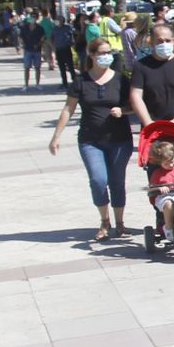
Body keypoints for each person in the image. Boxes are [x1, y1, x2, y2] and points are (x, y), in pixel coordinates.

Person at [49, 37, 134, 240]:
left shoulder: (121, 79)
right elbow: (68, 108)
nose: (106, 57)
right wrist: (56, 136)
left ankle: (120, 223)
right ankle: (105, 221)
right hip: (90, 140)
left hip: (119, 139)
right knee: (98, 180)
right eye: (101, 53)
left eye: (108, 53)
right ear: (92, 55)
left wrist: (122, 110)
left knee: (117, 181)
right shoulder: (81, 80)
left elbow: (134, 106)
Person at [129, 22, 174, 143]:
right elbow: (136, 96)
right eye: (160, 41)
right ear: (151, 42)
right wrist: (148, 123)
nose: (164, 44)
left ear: (173, 41)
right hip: (153, 128)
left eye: (168, 41)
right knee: (156, 162)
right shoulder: (141, 66)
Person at [50, 9, 76, 89]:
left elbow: (73, 35)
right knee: (61, 67)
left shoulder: (68, 28)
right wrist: (53, 46)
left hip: (66, 48)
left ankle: (74, 81)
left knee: (70, 66)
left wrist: (72, 44)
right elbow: (51, 37)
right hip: (58, 49)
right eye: (57, 19)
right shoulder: (55, 29)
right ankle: (64, 82)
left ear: (62, 21)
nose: (57, 21)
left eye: (59, 19)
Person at [18, 12, 44, 89]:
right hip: (28, 49)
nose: (33, 19)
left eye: (34, 17)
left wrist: (38, 44)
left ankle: (38, 84)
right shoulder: (24, 27)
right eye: (32, 17)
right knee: (26, 67)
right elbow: (21, 37)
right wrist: (22, 45)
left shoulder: (40, 28)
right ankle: (26, 84)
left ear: (37, 18)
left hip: (37, 50)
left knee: (37, 67)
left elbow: (42, 38)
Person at [38, 5, 57, 71]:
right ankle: (54, 63)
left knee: (47, 52)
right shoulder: (50, 21)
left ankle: (50, 65)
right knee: (53, 51)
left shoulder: (41, 22)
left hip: (44, 38)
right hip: (51, 37)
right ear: (47, 13)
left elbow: (40, 31)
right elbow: (54, 28)